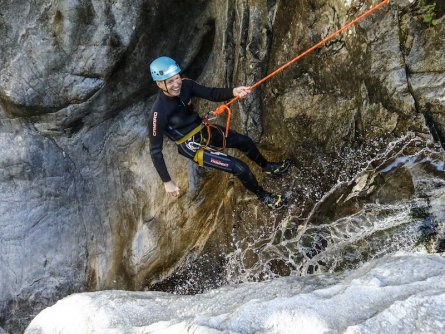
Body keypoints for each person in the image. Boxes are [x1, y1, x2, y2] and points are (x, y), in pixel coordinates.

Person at [148, 56, 290, 209]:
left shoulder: (186, 85)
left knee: (244, 141)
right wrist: (167, 182)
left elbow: (211, 93)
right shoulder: (158, 113)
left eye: (177, 78)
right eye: (170, 82)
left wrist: (234, 91)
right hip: (192, 146)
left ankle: (267, 166)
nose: (176, 84)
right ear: (159, 84)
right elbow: (155, 151)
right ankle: (264, 197)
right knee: (240, 168)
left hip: (204, 130)